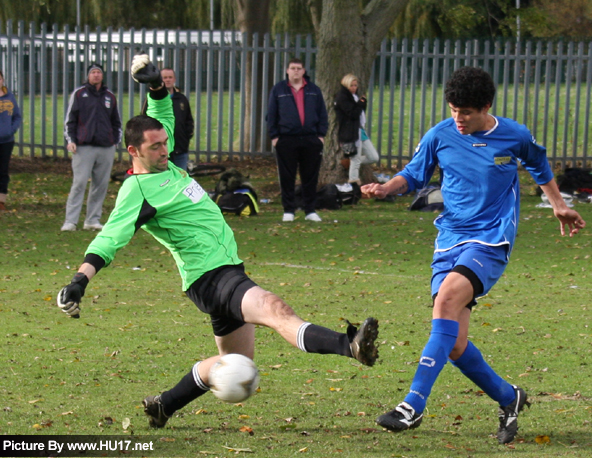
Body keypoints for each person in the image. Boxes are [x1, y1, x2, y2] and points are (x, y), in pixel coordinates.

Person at [56, 55, 379, 429]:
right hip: (209, 277)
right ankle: (349, 344)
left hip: (222, 271)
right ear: (134, 152)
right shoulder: (137, 189)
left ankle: (164, 404)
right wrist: (80, 280)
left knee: (237, 366)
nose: (165, 149)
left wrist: (156, 86)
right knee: (275, 308)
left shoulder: (168, 166)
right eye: (156, 147)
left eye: (165, 143)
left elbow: (163, 117)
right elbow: (110, 237)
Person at [361, 66, 585, 444]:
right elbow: (413, 175)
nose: (459, 119)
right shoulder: (440, 135)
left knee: (446, 301)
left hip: (491, 239)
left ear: (486, 106)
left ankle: (412, 405)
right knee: (455, 343)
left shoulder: (513, 134)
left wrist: (558, 205)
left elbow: (539, 165)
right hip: (449, 240)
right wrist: (387, 188)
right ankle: (509, 397)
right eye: (453, 111)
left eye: (466, 112)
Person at [61, 63, 122, 231]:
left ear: (102, 76)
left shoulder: (109, 96)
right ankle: (70, 221)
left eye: (98, 72)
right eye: (93, 72)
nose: (96, 75)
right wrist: (71, 140)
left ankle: (92, 220)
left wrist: (115, 140)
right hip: (83, 146)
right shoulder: (79, 94)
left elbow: (116, 122)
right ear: (88, 76)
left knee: (100, 185)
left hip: (105, 146)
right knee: (79, 183)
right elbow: (70, 120)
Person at [266, 58, 328, 222]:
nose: (295, 71)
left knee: (310, 176)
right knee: (287, 176)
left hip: (311, 140)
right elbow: (271, 114)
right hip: (286, 140)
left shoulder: (314, 90)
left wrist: (320, 136)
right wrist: (275, 137)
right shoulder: (279, 90)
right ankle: (289, 210)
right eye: (292, 68)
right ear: (287, 70)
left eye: (298, 68)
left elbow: (322, 113)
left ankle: (310, 210)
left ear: (303, 71)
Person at [141, 68, 194, 171]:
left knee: (180, 182)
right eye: (164, 77)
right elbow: (144, 120)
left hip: (180, 149)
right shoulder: (152, 99)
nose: (168, 80)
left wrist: (186, 137)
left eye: (170, 77)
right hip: (159, 150)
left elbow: (189, 120)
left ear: (174, 79)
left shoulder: (181, 99)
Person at [334, 73, 379, 185]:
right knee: (356, 159)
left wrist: (361, 103)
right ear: (346, 85)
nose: (354, 88)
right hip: (350, 132)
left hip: (360, 130)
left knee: (373, 157)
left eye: (355, 85)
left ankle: (348, 162)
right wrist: (360, 104)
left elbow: (359, 112)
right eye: (351, 85)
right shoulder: (342, 97)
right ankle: (353, 182)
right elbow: (352, 113)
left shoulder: (354, 97)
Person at [0, 70, 22, 212]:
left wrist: (11, 130)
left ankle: (1, 200)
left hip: (6, 141)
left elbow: (17, 116)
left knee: (3, 170)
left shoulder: (9, 97)